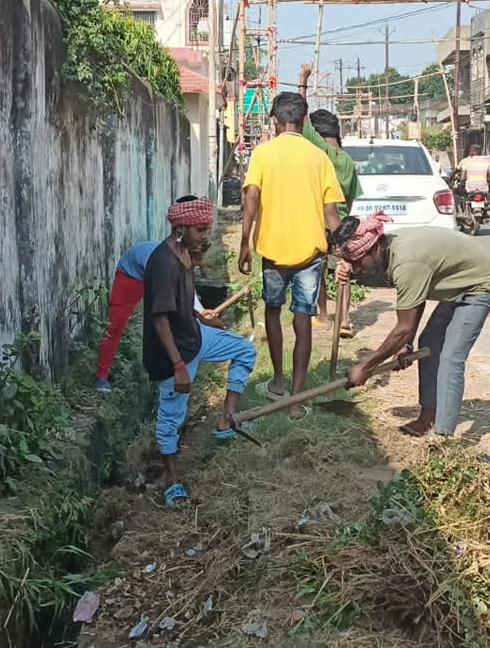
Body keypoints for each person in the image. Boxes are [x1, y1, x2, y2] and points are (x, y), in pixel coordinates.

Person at [331, 213, 490, 438]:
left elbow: (402, 327)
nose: (357, 269)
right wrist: (408, 343)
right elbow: (415, 298)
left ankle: (443, 437)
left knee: (451, 357)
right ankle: (427, 417)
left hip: (479, 286)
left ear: (374, 249)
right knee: (429, 343)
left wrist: (365, 366)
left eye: (358, 262)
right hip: (457, 285)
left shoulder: (407, 262)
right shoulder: (391, 251)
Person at [239, 91, 345, 419]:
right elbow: (331, 214)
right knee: (303, 318)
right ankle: (296, 401)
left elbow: (252, 198)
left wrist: (245, 241)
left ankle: (278, 382)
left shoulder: (263, 154)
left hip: (272, 248)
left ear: (274, 120)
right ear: (304, 121)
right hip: (310, 253)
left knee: (273, 312)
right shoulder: (319, 157)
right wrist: (342, 252)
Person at [146, 197, 256, 506]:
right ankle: (171, 480)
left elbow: (184, 301)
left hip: (195, 337)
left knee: (244, 350)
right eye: (200, 230)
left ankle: (227, 419)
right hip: (174, 353)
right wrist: (179, 365)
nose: (205, 237)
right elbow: (159, 319)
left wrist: (201, 316)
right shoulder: (163, 263)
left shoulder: (185, 253)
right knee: (171, 418)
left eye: (207, 230)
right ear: (180, 227)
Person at [93, 199, 215, 393]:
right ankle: (101, 375)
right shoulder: (163, 260)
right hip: (130, 276)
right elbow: (180, 295)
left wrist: (200, 311)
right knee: (116, 326)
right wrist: (199, 311)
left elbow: (186, 291)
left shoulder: (183, 251)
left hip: (149, 274)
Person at [297, 63, 364, 337]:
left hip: (318, 221)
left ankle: (323, 314)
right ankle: (345, 318)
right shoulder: (348, 161)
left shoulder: (320, 150)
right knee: (344, 271)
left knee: (317, 268)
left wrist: (303, 80)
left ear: (319, 133)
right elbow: (352, 200)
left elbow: (300, 116)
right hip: (342, 224)